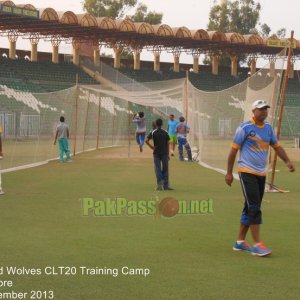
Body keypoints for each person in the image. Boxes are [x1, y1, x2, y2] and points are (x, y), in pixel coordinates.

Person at [225, 99, 295, 257]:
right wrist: (229, 173)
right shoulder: (244, 128)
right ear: (253, 111)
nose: (264, 111)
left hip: (261, 174)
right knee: (254, 207)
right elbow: (233, 152)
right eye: (261, 109)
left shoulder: (269, 128)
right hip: (246, 172)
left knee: (249, 206)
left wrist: (288, 161)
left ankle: (240, 242)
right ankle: (257, 244)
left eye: (266, 109)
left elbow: (277, 146)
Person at [145, 118, 173, 191]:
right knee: (165, 169)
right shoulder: (165, 132)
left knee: (158, 169)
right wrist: (168, 154)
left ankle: (159, 185)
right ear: (162, 124)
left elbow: (146, 140)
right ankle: (166, 186)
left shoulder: (153, 132)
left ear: (156, 124)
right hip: (164, 153)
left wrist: (151, 147)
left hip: (156, 153)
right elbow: (168, 143)